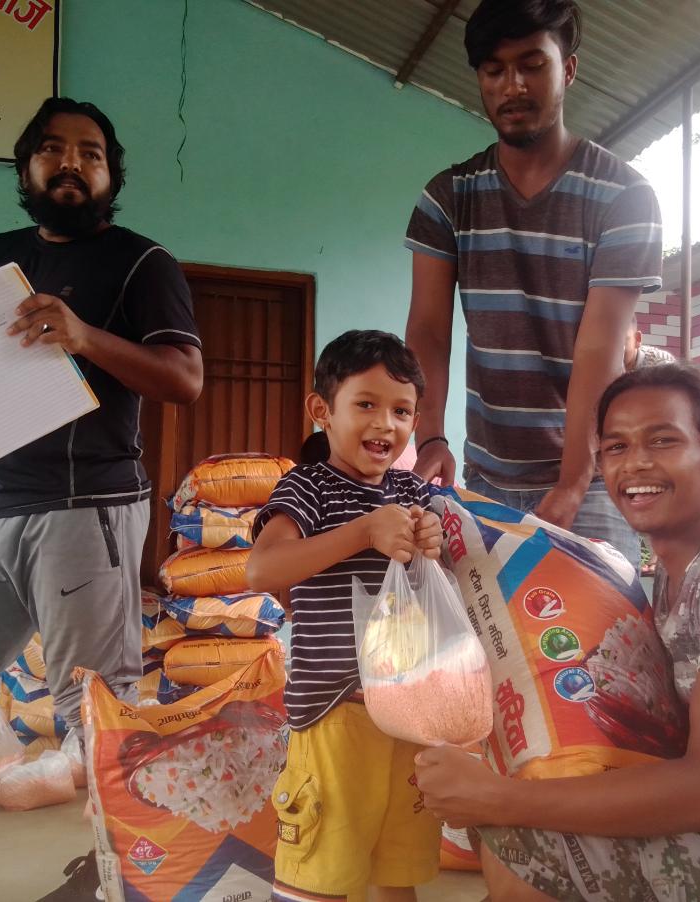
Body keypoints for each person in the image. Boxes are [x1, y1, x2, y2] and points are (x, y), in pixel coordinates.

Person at [415, 362, 700, 901]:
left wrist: (498, 798)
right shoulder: (678, 569)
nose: (635, 463)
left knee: (526, 836)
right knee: (528, 814)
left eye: (663, 441)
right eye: (615, 448)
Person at [0, 96, 203, 902]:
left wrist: (84, 337)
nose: (71, 163)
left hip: (86, 508)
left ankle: (129, 880)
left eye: (90, 153)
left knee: (96, 709)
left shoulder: (143, 264)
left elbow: (184, 379)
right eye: (52, 149)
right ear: (26, 167)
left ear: (110, 173)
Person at [404, 0, 662, 563]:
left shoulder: (625, 197)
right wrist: (428, 438)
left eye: (532, 64)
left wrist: (573, 481)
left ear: (567, 69)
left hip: (592, 478)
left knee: (599, 649)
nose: (512, 85)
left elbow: (600, 346)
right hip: (483, 477)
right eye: (494, 70)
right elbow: (427, 329)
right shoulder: (447, 198)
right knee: (487, 649)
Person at [246, 330, 444, 902]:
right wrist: (362, 531)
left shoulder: (413, 491)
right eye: (366, 405)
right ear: (321, 412)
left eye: (402, 411)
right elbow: (263, 571)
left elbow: (446, 581)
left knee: (396, 867)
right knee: (321, 873)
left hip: (409, 712)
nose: (386, 424)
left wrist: (433, 535)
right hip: (336, 713)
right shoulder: (309, 489)